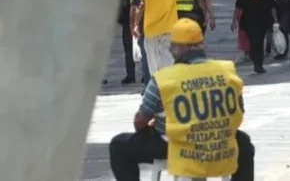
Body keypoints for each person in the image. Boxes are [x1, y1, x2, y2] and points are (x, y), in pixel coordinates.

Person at [108, 19, 255, 181]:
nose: (171, 50)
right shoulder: (227, 71)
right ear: (201, 44)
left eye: (173, 46)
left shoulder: (164, 79)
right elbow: (238, 112)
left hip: (179, 146)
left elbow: (140, 122)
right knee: (244, 144)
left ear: (182, 48)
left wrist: (156, 125)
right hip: (219, 142)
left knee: (119, 146)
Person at [133, 0, 194, 75]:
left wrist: (136, 25)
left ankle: (158, 91)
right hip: (169, 32)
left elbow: (140, 5)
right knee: (168, 69)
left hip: (151, 33)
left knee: (154, 71)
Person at [232, 0, 276, 74]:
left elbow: (272, 8)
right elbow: (238, 7)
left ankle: (258, 64)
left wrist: (275, 20)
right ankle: (254, 58)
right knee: (253, 42)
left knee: (259, 42)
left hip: (262, 21)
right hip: (248, 21)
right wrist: (234, 21)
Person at [118, 0, 139, 84]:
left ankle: (131, 76)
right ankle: (146, 75)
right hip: (142, 20)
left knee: (129, 49)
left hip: (128, 21)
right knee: (144, 48)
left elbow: (124, 3)